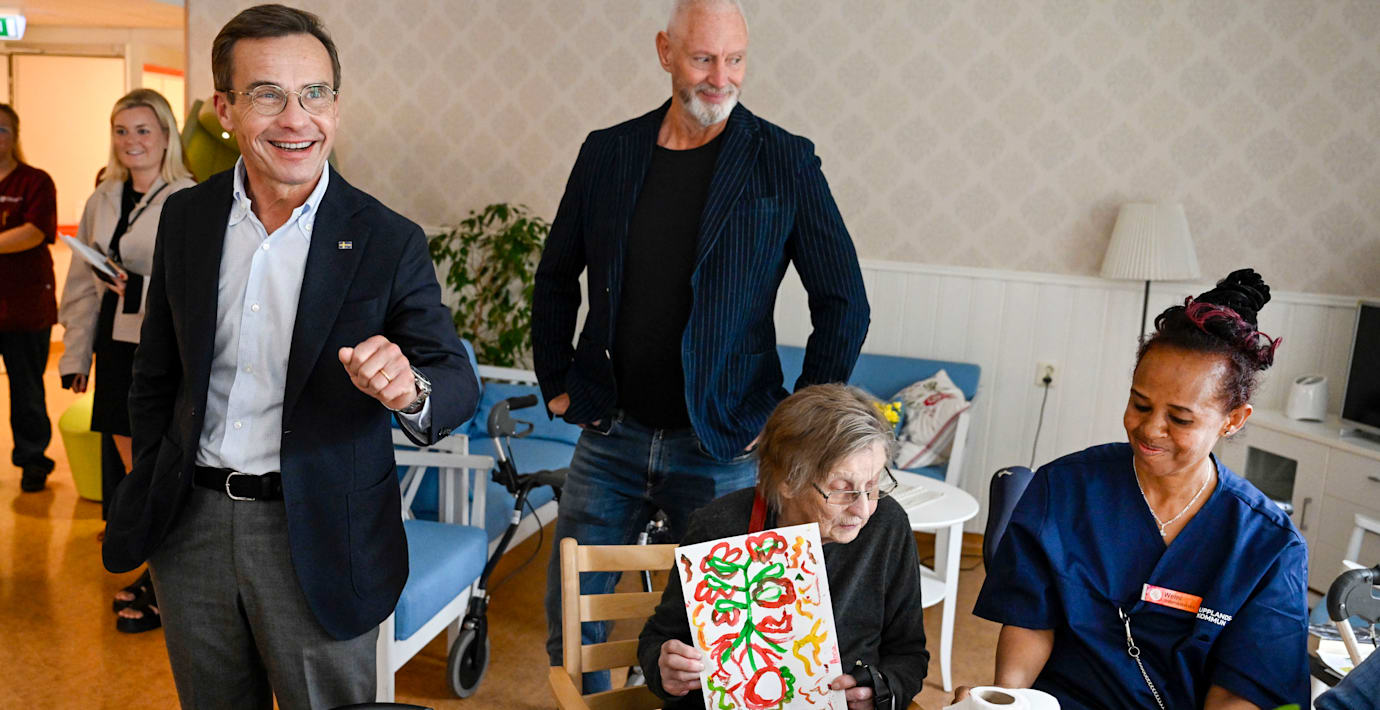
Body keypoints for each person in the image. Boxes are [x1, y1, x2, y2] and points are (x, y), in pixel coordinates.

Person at [100, 5, 478, 708]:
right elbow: (155, 374)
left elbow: (455, 380)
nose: (296, 119)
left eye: (315, 93)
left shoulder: (386, 238)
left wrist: (410, 389)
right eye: (268, 94)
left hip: (320, 538)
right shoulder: (187, 219)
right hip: (191, 527)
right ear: (225, 109)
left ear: (336, 104)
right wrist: (149, 481)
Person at [533, 0, 869, 688]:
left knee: (737, 634)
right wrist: (556, 379)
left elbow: (844, 302)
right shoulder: (607, 152)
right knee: (575, 623)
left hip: (729, 442)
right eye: (703, 58)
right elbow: (556, 275)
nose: (721, 77)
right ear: (665, 52)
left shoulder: (784, 160)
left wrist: (797, 425)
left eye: (735, 59)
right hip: (611, 430)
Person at [971, 269, 1309, 709]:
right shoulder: (1065, 488)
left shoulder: (1268, 545)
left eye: (1180, 418)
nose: (1150, 429)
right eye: (1140, 404)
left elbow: (1242, 691)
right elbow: (1031, 623)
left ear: (1233, 420)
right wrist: (1008, 700)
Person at [638, 384, 928, 709]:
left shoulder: (886, 524)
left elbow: (908, 653)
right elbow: (659, 637)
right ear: (788, 481)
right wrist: (665, 669)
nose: (862, 509)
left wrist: (881, 690)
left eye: (872, 485)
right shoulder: (719, 528)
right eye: (841, 488)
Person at [59, 88, 196, 634]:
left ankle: (165, 581)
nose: (131, 141)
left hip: (164, 351)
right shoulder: (104, 196)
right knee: (139, 473)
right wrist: (74, 355)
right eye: (121, 131)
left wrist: (138, 286)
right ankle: (159, 572)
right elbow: (81, 282)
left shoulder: (189, 199)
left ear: (166, 135)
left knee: (161, 466)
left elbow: (197, 286)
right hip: (115, 348)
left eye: (143, 130)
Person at [0, 103, 58, 493]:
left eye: (2, 129)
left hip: (25, 308)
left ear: (15, 136)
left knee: (27, 391)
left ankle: (33, 459)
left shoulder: (35, 182)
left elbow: (34, 232)